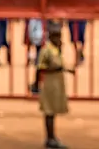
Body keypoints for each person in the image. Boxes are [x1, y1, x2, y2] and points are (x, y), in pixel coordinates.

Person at [33, 21, 71, 149]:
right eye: (56, 36)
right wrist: (36, 85)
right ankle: (50, 138)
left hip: (57, 83)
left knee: (53, 111)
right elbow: (40, 68)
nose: (59, 39)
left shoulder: (56, 49)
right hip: (49, 83)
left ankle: (52, 136)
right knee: (49, 111)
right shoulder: (47, 50)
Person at [20, 0, 44, 66]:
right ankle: (28, 55)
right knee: (28, 35)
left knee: (40, 36)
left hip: (40, 13)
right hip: (29, 13)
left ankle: (38, 57)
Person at [65, 0, 90, 65]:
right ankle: (77, 52)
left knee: (82, 35)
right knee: (73, 37)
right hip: (72, 16)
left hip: (82, 15)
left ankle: (81, 52)